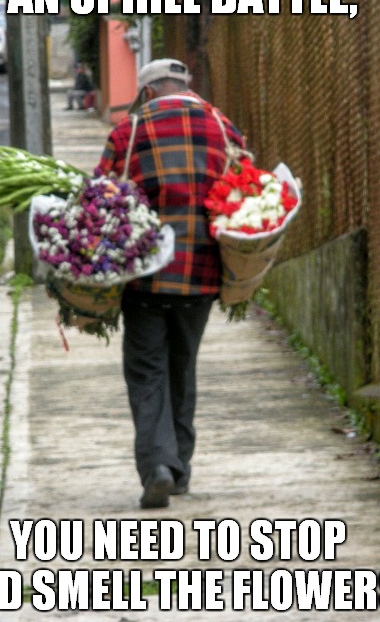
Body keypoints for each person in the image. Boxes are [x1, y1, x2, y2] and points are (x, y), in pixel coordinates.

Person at [95, 58, 245, 508]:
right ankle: (179, 469)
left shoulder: (129, 132)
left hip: (144, 275)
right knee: (183, 365)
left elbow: (101, 196)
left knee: (147, 371)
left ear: (146, 92)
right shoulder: (222, 129)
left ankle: (158, 465)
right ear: (186, 87)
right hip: (201, 274)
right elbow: (247, 191)